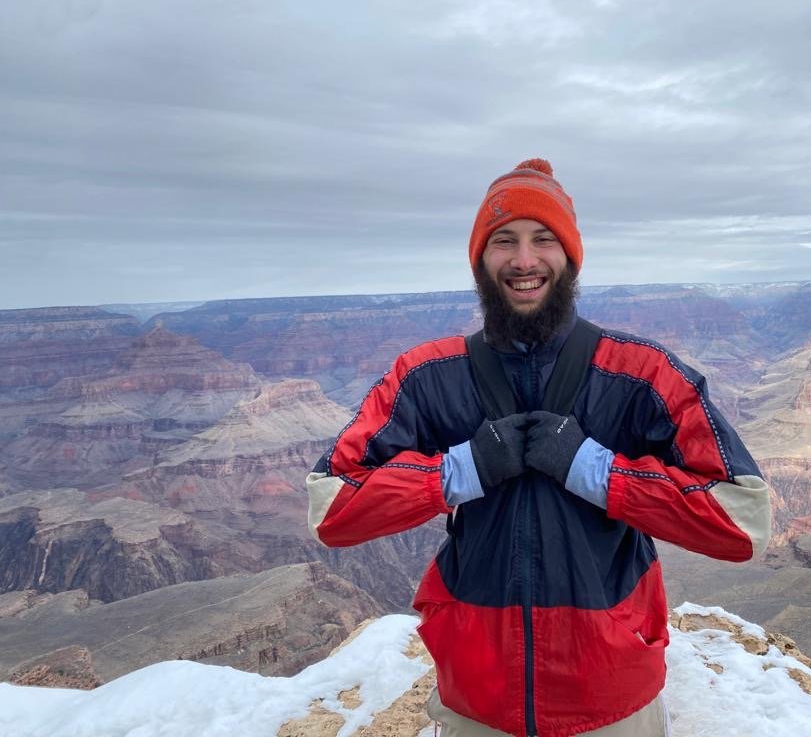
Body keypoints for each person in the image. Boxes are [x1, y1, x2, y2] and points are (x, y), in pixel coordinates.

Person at [306, 159, 771, 737]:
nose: (524, 261)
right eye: (504, 241)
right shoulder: (427, 376)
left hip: (611, 699)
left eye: (542, 240)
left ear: (570, 256)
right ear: (480, 259)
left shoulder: (642, 374)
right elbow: (331, 509)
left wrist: (595, 470)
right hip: (478, 698)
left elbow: (743, 518)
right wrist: (458, 471)